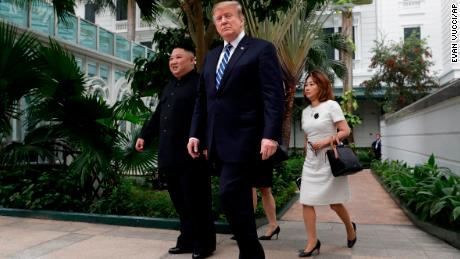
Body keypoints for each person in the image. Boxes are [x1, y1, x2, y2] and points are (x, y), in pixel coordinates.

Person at [187, 1, 284, 258]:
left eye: (228, 16)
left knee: (228, 192)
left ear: (241, 20)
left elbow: (273, 95)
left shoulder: (260, 50)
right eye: (218, 18)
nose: (223, 21)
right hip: (217, 142)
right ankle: (250, 252)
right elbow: (203, 99)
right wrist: (195, 133)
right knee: (238, 199)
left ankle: (251, 251)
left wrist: (271, 135)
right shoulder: (211, 57)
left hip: (247, 138)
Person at [135, 47, 216, 259]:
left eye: (179, 57)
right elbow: (158, 115)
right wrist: (145, 135)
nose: (173, 61)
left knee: (197, 200)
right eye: (171, 58)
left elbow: (208, 116)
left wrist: (207, 144)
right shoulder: (170, 86)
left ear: (193, 60)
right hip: (169, 154)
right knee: (180, 201)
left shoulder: (200, 83)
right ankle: (187, 239)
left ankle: (205, 243)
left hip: (192, 155)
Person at [298, 70, 357, 257]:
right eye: (306, 84)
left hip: (329, 161)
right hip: (311, 163)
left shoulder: (331, 106)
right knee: (306, 201)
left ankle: (350, 228)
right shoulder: (305, 112)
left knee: (334, 203)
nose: (307, 87)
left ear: (322, 86)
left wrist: (324, 142)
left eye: (312, 84)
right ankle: (312, 242)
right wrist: (306, 151)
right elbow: (308, 135)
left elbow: (345, 131)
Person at [252, 161, 281, 240]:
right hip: (248, 153)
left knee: (264, 188)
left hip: (262, 153)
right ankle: (247, 226)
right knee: (251, 185)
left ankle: (273, 225)